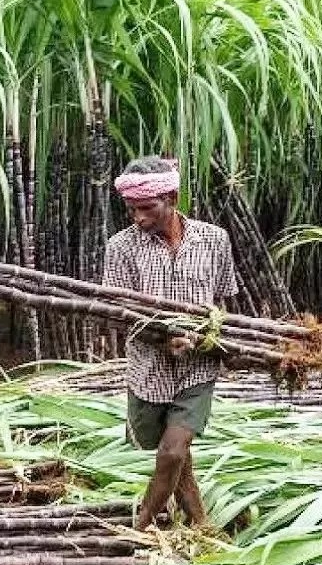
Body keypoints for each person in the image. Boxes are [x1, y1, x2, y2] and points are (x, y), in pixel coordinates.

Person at [101, 156, 239, 531]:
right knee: (174, 457)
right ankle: (202, 525)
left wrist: (207, 338)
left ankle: (140, 527)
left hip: (199, 367)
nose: (139, 218)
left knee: (173, 450)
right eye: (132, 210)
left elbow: (223, 301)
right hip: (148, 370)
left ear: (173, 198)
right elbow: (121, 313)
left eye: (148, 208)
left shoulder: (214, 239)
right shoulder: (121, 247)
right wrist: (164, 341)